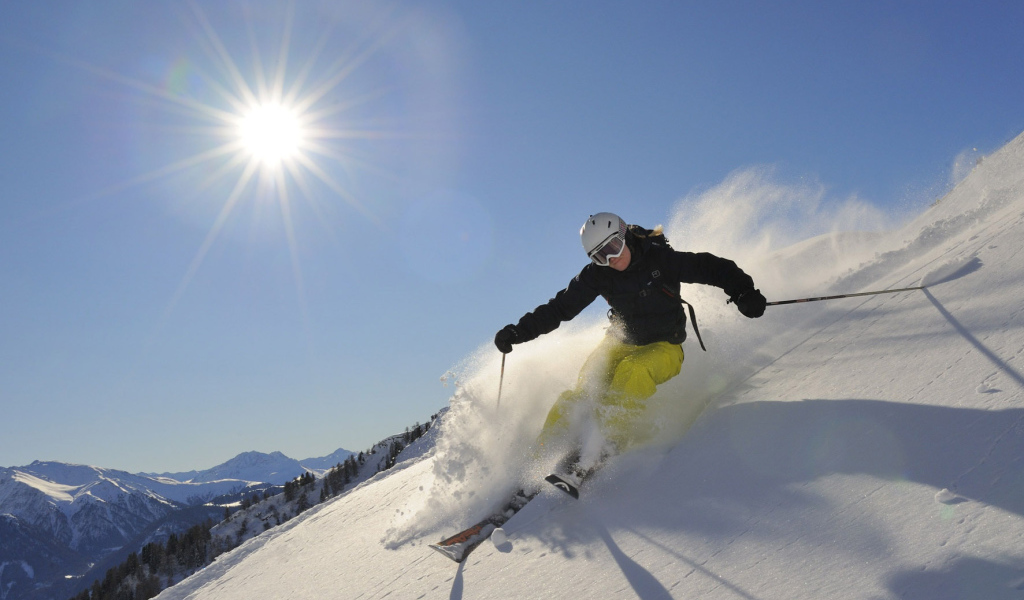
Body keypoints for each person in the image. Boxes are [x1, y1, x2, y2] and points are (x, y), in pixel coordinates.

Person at [494, 212, 766, 482]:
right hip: (621, 341)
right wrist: (519, 331)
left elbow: (711, 267)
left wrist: (743, 291)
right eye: (601, 257)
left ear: (624, 236)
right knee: (583, 392)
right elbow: (560, 308)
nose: (612, 260)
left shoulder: (660, 259)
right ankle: (537, 460)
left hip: (665, 346)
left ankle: (604, 445)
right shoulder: (597, 275)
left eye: (613, 248)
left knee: (632, 371)